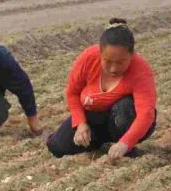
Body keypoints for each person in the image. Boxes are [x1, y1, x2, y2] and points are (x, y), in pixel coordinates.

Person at [47, 18, 157, 162]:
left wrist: (125, 144)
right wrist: (80, 123)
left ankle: (126, 146)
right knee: (58, 147)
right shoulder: (88, 58)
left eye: (120, 62)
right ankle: (97, 141)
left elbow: (145, 114)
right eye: (107, 61)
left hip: (120, 119)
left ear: (132, 55)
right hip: (93, 115)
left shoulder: (141, 70)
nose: (113, 68)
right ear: (100, 53)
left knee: (125, 109)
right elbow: (72, 93)